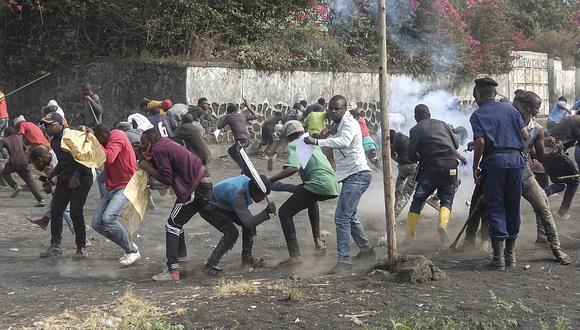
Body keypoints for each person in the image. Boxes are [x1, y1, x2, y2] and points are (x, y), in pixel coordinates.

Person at [304, 95, 374, 274]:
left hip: (357, 174)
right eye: (331, 108)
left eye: (337, 109)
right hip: (352, 174)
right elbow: (334, 142)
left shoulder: (349, 123)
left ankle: (344, 261)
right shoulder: (339, 125)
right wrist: (325, 134)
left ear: (344, 109)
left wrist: (317, 141)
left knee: (342, 217)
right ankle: (366, 250)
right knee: (349, 216)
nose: (333, 111)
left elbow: (344, 142)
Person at [138, 129, 212, 281]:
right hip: (201, 184)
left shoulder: (158, 149)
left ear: (152, 140)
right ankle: (182, 264)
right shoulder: (166, 143)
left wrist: (149, 169)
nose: (142, 146)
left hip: (196, 188)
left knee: (172, 225)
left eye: (144, 143)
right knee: (177, 223)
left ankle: (173, 271)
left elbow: (167, 178)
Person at [470, 77, 528, 270]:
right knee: (513, 205)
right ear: (495, 94)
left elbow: (480, 143)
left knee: (495, 207)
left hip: (494, 165)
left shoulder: (477, 115)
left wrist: (475, 167)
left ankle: (498, 259)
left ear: (478, 95)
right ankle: (510, 256)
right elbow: (525, 135)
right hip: (515, 162)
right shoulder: (511, 109)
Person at [511, 90, 570, 264]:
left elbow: (540, 157)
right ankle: (488, 244)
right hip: (504, 169)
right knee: (490, 205)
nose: (538, 110)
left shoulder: (537, 129)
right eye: (536, 107)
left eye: (539, 107)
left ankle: (556, 247)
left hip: (522, 170)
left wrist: (556, 152)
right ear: (524, 106)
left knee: (543, 205)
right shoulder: (508, 121)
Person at [270, 121, 339, 266]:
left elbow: (292, 168)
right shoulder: (312, 143)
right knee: (310, 199)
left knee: (284, 212)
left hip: (318, 184)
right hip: (332, 184)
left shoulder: (295, 144)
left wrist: (270, 179)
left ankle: (295, 256)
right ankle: (318, 241)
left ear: (288, 137)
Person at [404, 104, 463, 245]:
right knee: (447, 200)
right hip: (451, 165)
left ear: (415, 117)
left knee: (418, 199)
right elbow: (456, 145)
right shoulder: (443, 124)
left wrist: (421, 154)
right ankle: (442, 225)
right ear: (429, 114)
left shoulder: (415, 129)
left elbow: (411, 155)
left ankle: (409, 235)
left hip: (431, 167)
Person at [39, 112, 94, 258]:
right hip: (66, 177)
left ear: (61, 123)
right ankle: (55, 245)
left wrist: (76, 176)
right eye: (45, 125)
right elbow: (63, 163)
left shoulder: (72, 135)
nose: (47, 128)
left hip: (82, 176)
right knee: (56, 210)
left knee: (76, 211)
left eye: (51, 125)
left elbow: (84, 156)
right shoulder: (54, 141)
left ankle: (81, 247)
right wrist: (51, 175)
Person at [199, 175, 276, 276]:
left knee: (250, 226)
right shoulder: (238, 194)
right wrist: (266, 212)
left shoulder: (249, 184)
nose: (263, 199)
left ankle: (247, 261)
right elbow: (248, 222)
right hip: (209, 207)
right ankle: (209, 265)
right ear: (255, 192)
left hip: (225, 204)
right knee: (231, 233)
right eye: (262, 196)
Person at [92, 124, 141, 266]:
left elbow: (109, 157)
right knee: (96, 224)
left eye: (98, 140)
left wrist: (95, 143)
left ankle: (131, 250)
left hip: (126, 184)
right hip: (113, 186)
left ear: (102, 136)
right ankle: (128, 246)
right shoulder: (108, 140)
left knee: (108, 218)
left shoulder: (117, 135)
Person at [27, 146, 75, 234]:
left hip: (77, 177)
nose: (36, 167)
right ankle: (45, 220)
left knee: (64, 208)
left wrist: (51, 187)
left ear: (40, 159)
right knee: (58, 201)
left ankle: (81, 236)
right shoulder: (49, 158)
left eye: (35, 164)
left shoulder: (56, 161)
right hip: (69, 178)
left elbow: (62, 179)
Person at [0, 127, 45, 206]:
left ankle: (15, 186)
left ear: (6, 134)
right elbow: (24, 148)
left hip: (13, 162)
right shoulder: (19, 138)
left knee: (4, 172)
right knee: (30, 181)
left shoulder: (4, 140)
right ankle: (41, 200)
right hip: (24, 162)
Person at [217, 103, 257, 172]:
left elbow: (219, 127)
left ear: (229, 111)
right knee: (231, 151)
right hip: (246, 140)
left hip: (241, 141)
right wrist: (247, 106)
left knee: (242, 157)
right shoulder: (243, 115)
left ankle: (246, 170)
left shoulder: (228, 116)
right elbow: (255, 116)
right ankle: (244, 168)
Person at [390, 129, 418, 218]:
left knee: (404, 193)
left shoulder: (398, 136)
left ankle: (394, 215)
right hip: (408, 167)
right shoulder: (400, 140)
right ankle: (394, 213)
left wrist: (392, 149)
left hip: (410, 167)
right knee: (400, 192)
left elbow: (398, 136)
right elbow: (393, 156)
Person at [0, 89, 9, 158]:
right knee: (3, 136)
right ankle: (5, 153)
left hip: (1, 117)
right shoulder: (2, 95)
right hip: (6, 116)